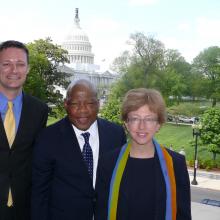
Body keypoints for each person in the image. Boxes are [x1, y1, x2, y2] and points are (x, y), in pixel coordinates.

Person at [31, 79, 127, 220]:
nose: (83, 110)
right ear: (66, 104)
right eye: (75, 104)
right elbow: (39, 193)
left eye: (89, 103)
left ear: (98, 104)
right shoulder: (47, 138)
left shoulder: (116, 134)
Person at [95, 88, 191, 220]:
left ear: (158, 124)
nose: (142, 126)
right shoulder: (108, 162)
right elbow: (101, 213)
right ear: (126, 124)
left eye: (149, 119)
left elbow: (183, 215)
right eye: (135, 118)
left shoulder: (176, 164)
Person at [0, 40, 48, 220]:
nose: (14, 70)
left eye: (20, 64)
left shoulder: (39, 111)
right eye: (6, 64)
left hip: (25, 208)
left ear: (27, 68)